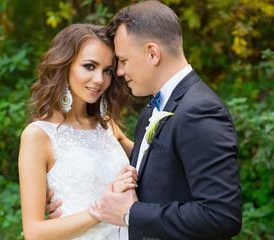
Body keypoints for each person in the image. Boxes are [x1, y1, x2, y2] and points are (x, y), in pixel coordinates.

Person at [48, 1, 242, 239]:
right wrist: (70, 202)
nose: (119, 72)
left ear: (152, 53)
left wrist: (131, 214)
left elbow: (221, 216)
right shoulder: (150, 113)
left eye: (124, 61)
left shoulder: (199, 110)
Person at [18, 23, 137, 240]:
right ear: (65, 66)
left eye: (107, 70)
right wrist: (102, 209)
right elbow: (34, 233)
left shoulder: (108, 126)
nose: (100, 79)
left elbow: (156, 164)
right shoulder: (38, 136)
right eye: (90, 66)